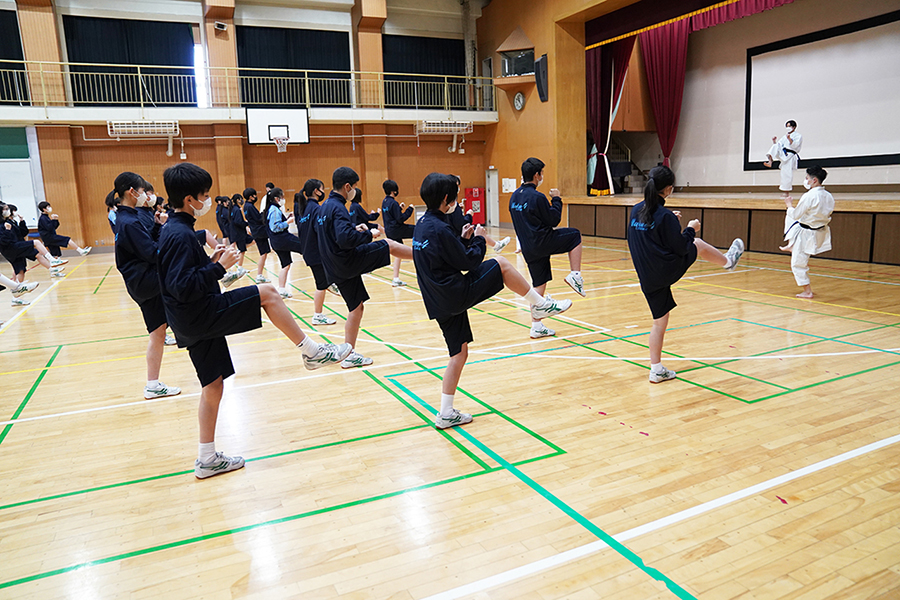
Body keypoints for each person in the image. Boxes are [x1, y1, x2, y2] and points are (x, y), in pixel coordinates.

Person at [157, 163, 352, 479]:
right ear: (191, 198)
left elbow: (180, 279)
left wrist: (212, 263)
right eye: (204, 195)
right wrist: (219, 267)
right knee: (267, 293)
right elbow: (182, 286)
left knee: (213, 385)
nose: (207, 200)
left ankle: (206, 458)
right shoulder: (179, 234)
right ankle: (311, 350)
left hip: (189, 319)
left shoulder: (175, 231)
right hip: (199, 315)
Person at [413, 173, 573, 429]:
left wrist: (463, 240)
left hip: (437, 300)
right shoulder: (440, 228)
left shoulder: (423, 225)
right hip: (453, 293)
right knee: (500, 264)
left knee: (459, 352)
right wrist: (478, 238)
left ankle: (445, 412)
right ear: (447, 198)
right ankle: (538, 303)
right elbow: (468, 262)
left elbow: (447, 255)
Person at [627, 166, 744, 383]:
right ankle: (728, 262)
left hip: (647, 276)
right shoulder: (664, 217)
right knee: (696, 243)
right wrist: (690, 228)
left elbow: (650, 228)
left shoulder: (636, 211)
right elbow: (682, 247)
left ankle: (656, 369)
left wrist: (671, 221)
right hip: (665, 270)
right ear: (669, 189)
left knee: (659, 322)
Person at [316, 167, 414, 368]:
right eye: (355, 187)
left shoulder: (324, 207)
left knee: (356, 306)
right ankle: (428, 257)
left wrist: (354, 228)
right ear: (347, 186)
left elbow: (335, 234)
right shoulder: (338, 207)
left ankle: (348, 354)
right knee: (388, 245)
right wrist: (369, 234)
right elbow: (345, 239)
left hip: (334, 265)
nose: (355, 190)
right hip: (347, 262)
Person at [110, 171, 183, 400]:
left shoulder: (128, 217)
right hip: (145, 282)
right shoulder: (129, 221)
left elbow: (150, 243)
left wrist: (160, 228)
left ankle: (152, 384)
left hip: (142, 282)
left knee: (158, 332)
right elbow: (152, 252)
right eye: (143, 191)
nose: (145, 195)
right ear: (132, 192)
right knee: (187, 284)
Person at [508, 157, 584, 339]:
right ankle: (575, 276)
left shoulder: (514, 197)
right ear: (536, 175)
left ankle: (536, 326)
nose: (542, 176)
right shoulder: (538, 197)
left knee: (538, 284)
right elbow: (553, 219)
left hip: (528, 247)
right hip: (543, 241)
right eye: (542, 173)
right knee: (574, 235)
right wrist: (556, 199)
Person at [779, 166, 834, 299]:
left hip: (807, 234)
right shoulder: (829, 196)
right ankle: (791, 244)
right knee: (794, 222)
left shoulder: (809, 196)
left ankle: (807, 291)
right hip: (819, 231)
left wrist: (789, 205)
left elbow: (796, 214)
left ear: (814, 180)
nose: (805, 180)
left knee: (797, 263)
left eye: (807, 178)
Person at [296, 180, 340, 326]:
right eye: (322, 189)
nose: (324, 191)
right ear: (316, 191)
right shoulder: (315, 209)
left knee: (324, 281)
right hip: (316, 253)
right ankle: (318, 315)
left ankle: (332, 284)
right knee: (321, 285)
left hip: (309, 252)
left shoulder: (305, 208)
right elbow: (321, 230)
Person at [1, 201, 66, 284]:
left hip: (19, 246)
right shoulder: (5, 224)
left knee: (22, 268)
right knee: (36, 243)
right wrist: (7, 230)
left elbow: (23, 233)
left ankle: (17, 288)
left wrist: (22, 221)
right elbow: (5, 239)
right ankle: (52, 260)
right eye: (12, 210)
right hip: (14, 248)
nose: (14, 212)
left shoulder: (13, 222)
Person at [447, 175, 510, 253]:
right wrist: (469, 215)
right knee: (476, 231)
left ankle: (496, 245)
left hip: (454, 237)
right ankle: (496, 246)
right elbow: (462, 223)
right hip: (457, 238)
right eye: (456, 186)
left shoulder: (449, 204)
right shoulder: (450, 204)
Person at [264, 187, 305, 298]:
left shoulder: (271, 209)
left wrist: (286, 217)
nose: (283, 199)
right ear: (277, 198)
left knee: (285, 265)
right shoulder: (274, 210)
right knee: (306, 248)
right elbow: (275, 227)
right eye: (282, 197)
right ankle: (325, 279)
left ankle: (281, 290)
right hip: (282, 239)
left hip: (277, 242)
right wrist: (289, 222)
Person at [380, 179, 415, 287]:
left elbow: (392, 215)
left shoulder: (385, 202)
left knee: (399, 253)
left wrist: (400, 208)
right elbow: (400, 219)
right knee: (418, 230)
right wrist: (410, 209)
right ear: (393, 191)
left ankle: (395, 278)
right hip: (397, 230)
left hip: (390, 231)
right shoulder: (393, 203)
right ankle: (419, 255)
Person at [764, 120, 803, 201]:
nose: (788, 128)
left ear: (794, 127)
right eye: (787, 126)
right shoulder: (784, 136)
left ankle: (786, 192)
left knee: (786, 173)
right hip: (783, 153)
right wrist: (774, 141)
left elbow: (795, 145)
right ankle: (770, 161)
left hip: (790, 155)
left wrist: (790, 139)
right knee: (776, 145)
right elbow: (780, 144)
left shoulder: (798, 136)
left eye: (790, 126)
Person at [242, 187, 271, 283]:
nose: (256, 197)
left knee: (264, 253)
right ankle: (259, 275)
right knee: (263, 253)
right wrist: (265, 213)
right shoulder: (250, 206)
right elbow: (259, 219)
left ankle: (260, 275)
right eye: (254, 195)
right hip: (259, 232)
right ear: (251, 197)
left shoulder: (246, 206)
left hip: (256, 232)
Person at [225, 193, 250, 285]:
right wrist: (246, 223)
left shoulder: (232, 209)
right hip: (239, 233)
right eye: (240, 199)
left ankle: (235, 266)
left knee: (239, 247)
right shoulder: (236, 210)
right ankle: (239, 267)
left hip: (234, 232)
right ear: (237, 200)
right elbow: (238, 221)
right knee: (242, 250)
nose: (241, 200)